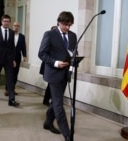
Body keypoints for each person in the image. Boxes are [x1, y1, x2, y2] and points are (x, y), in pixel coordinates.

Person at [38, 11, 77, 141]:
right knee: (59, 104)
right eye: (65, 24)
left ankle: (48, 122)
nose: (67, 27)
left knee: (55, 101)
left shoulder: (73, 36)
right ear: (59, 22)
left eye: (70, 25)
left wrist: (73, 63)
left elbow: (74, 53)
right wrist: (55, 62)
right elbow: (42, 54)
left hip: (65, 74)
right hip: (53, 74)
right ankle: (67, 134)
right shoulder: (49, 34)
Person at [0, 14, 19, 107]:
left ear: (9, 22)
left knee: (10, 79)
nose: (6, 23)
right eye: (4, 21)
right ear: (2, 22)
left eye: (7, 21)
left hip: (8, 59)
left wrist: (13, 59)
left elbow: (13, 47)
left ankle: (11, 99)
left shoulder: (11, 32)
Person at [4, 21, 27, 96]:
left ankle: (12, 89)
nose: (16, 27)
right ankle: (7, 89)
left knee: (15, 74)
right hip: (9, 57)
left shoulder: (22, 36)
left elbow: (23, 47)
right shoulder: (9, 35)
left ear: (19, 27)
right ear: (12, 26)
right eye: (14, 25)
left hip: (17, 57)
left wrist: (25, 55)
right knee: (9, 73)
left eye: (17, 26)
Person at [39, 26, 57, 106]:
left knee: (51, 85)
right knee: (50, 85)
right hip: (49, 66)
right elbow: (42, 54)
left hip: (56, 67)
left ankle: (48, 100)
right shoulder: (48, 39)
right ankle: (46, 100)